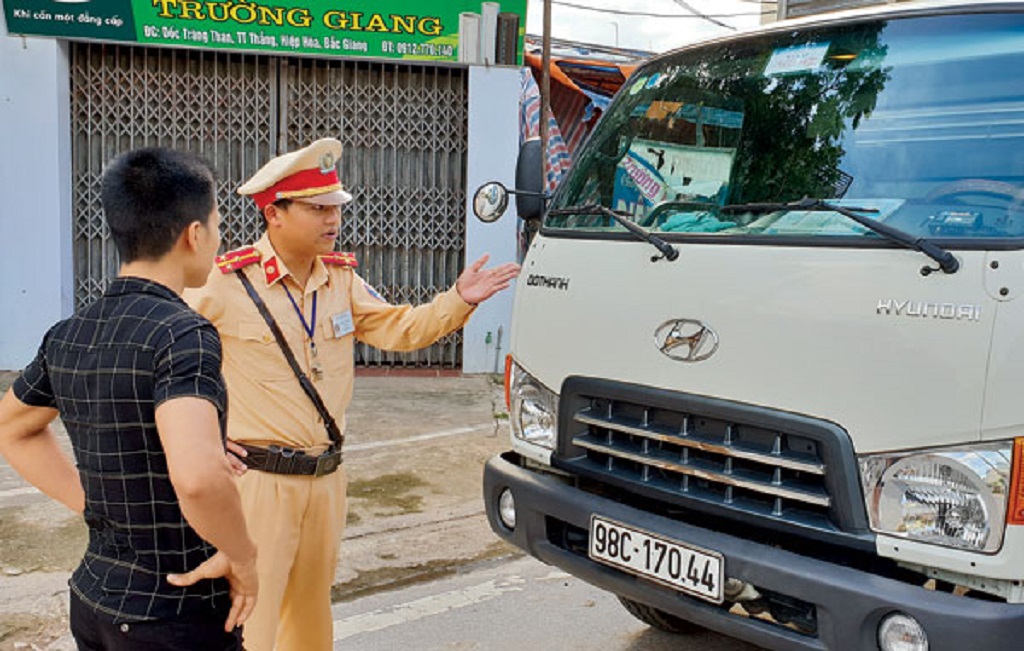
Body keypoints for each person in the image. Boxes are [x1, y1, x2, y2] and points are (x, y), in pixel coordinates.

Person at [179, 137, 520, 650]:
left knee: (311, 617)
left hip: (326, 479)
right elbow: (160, 355)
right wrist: (200, 438)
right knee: (254, 616)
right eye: (316, 208)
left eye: (335, 206)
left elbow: (400, 330)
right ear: (274, 213)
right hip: (259, 482)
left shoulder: (340, 280)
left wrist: (456, 300)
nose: (331, 218)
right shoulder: (225, 282)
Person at [0, 147, 259, 650]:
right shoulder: (184, 334)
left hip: (95, 598)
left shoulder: (69, 333)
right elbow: (200, 478)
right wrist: (243, 555)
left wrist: (94, 505)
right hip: (174, 612)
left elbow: (11, 427)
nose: (219, 237)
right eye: (218, 223)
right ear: (195, 234)